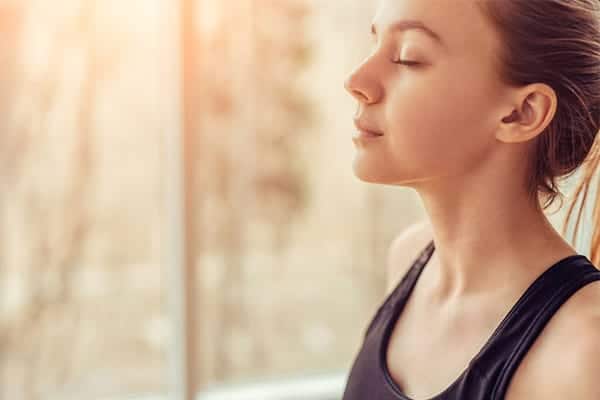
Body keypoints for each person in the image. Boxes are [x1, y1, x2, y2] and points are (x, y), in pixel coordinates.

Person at [341, 0, 600, 399]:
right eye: (374, 42)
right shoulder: (410, 257)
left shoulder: (583, 348)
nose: (357, 79)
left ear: (522, 112)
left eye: (408, 57)